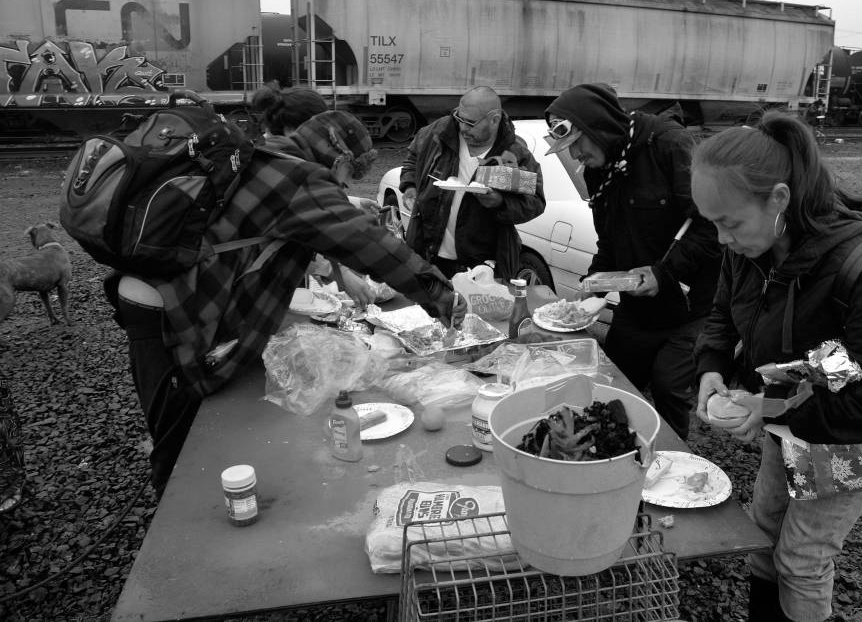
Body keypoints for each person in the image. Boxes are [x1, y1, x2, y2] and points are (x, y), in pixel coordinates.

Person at [107, 103, 467, 499]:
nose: (346, 185)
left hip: (157, 294)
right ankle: (173, 518)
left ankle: (194, 492)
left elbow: (284, 222)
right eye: (352, 174)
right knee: (179, 423)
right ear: (342, 157)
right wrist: (441, 294)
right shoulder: (299, 179)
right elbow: (371, 246)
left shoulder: (268, 155)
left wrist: (339, 218)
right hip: (170, 305)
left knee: (182, 407)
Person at [690, 111, 862, 621]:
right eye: (712, 224)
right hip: (787, 418)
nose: (721, 239)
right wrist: (710, 366)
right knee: (763, 536)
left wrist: (772, 409)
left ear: (778, 200)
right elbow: (722, 314)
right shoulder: (750, 248)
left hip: (854, 432)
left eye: (728, 222)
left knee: (802, 558)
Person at [544, 83, 723, 441]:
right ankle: (614, 453)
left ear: (599, 128)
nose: (576, 155)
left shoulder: (671, 146)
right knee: (615, 383)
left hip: (687, 308)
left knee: (670, 387)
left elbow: (711, 226)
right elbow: (609, 237)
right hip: (634, 308)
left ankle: (672, 463)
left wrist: (665, 272)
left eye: (578, 143)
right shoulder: (600, 166)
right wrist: (594, 285)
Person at [399, 86, 546, 280]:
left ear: (494, 120)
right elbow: (413, 157)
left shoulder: (514, 154)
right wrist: (410, 186)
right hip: (426, 257)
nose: (462, 128)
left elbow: (535, 202)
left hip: (481, 268)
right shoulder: (440, 132)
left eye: (470, 123)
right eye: (459, 119)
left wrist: (500, 203)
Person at [251, 83, 378, 307]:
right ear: (298, 127)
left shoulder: (276, 154)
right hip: (260, 284)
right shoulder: (281, 163)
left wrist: (353, 202)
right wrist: (340, 274)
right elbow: (301, 229)